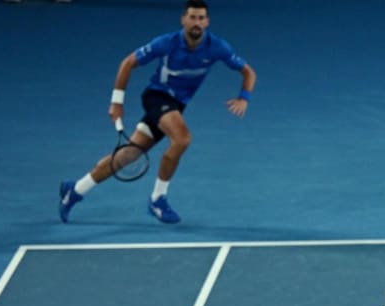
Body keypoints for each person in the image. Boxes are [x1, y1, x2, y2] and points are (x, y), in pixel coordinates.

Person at [58, 0, 256, 224]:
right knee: (182, 139)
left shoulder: (218, 47)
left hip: (176, 105)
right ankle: (158, 199)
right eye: (192, 17)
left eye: (201, 18)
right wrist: (117, 102)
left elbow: (248, 72)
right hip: (157, 97)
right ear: (183, 20)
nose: (197, 22)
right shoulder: (166, 43)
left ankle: (75, 190)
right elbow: (128, 63)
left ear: (207, 22)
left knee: (128, 155)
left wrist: (244, 98)